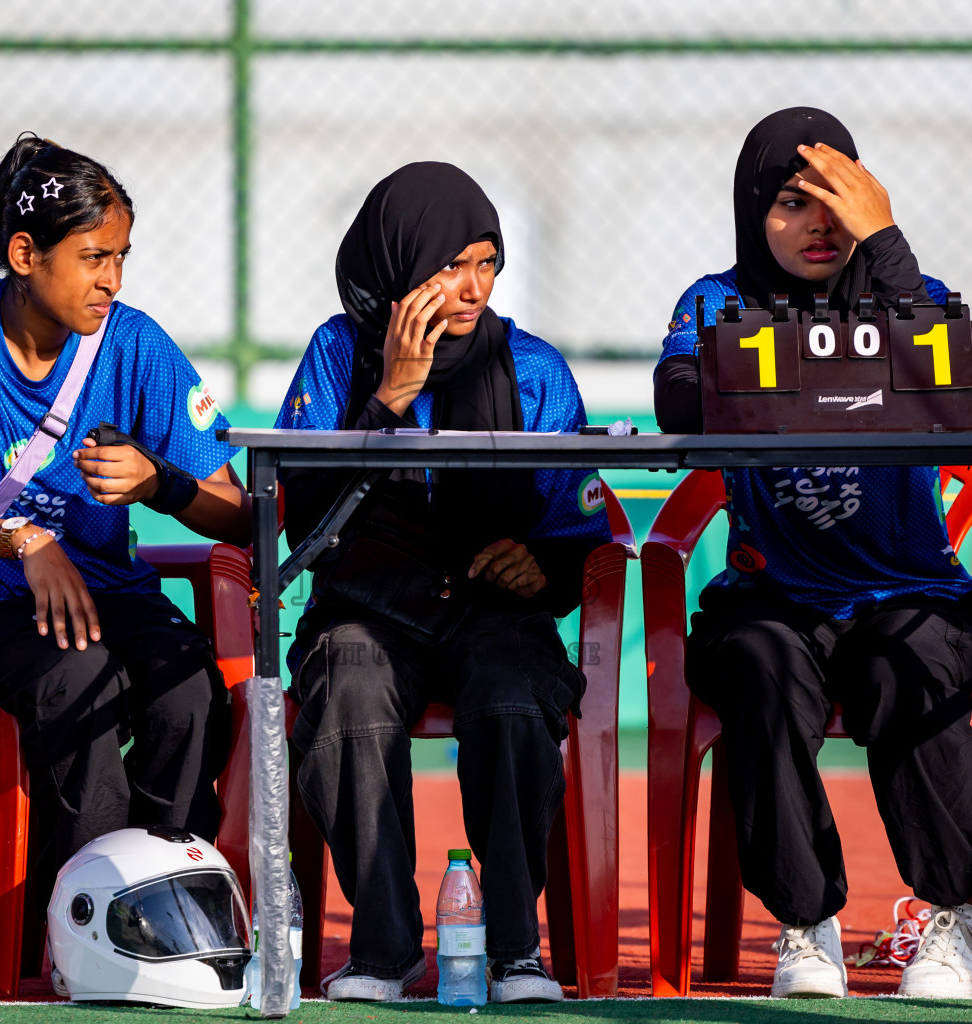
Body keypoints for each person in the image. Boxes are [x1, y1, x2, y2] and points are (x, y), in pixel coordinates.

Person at [0, 135, 251, 938]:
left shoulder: (134, 342)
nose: (112, 279)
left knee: (189, 694)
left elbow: (237, 510)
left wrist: (159, 483)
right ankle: (87, 932)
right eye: (94, 256)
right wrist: (25, 541)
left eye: (122, 257)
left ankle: (157, 905)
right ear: (25, 253)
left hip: (107, 590)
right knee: (83, 683)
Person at [653, 108, 972, 1000]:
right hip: (775, 595)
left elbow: (959, 403)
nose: (818, 224)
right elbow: (685, 404)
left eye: (836, 201)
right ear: (749, 212)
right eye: (790, 202)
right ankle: (806, 926)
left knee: (909, 659)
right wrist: (839, 378)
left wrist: (886, 247)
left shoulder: (912, 295)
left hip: (910, 588)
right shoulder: (713, 303)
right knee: (756, 664)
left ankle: (958, 913)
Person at [276, 162, 611, 1004]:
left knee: (508, 694)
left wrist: (543, 563)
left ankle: (512, 948)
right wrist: (388, 399)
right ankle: (383, 948)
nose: (470, 287)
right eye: (448, 265)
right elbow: (299, 518)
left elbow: (581, 527)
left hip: (494, 612)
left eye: (486, 264)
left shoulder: (532, 369)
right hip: (366, 606)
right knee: (348, 686)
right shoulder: (339, 354)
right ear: (397, 264)